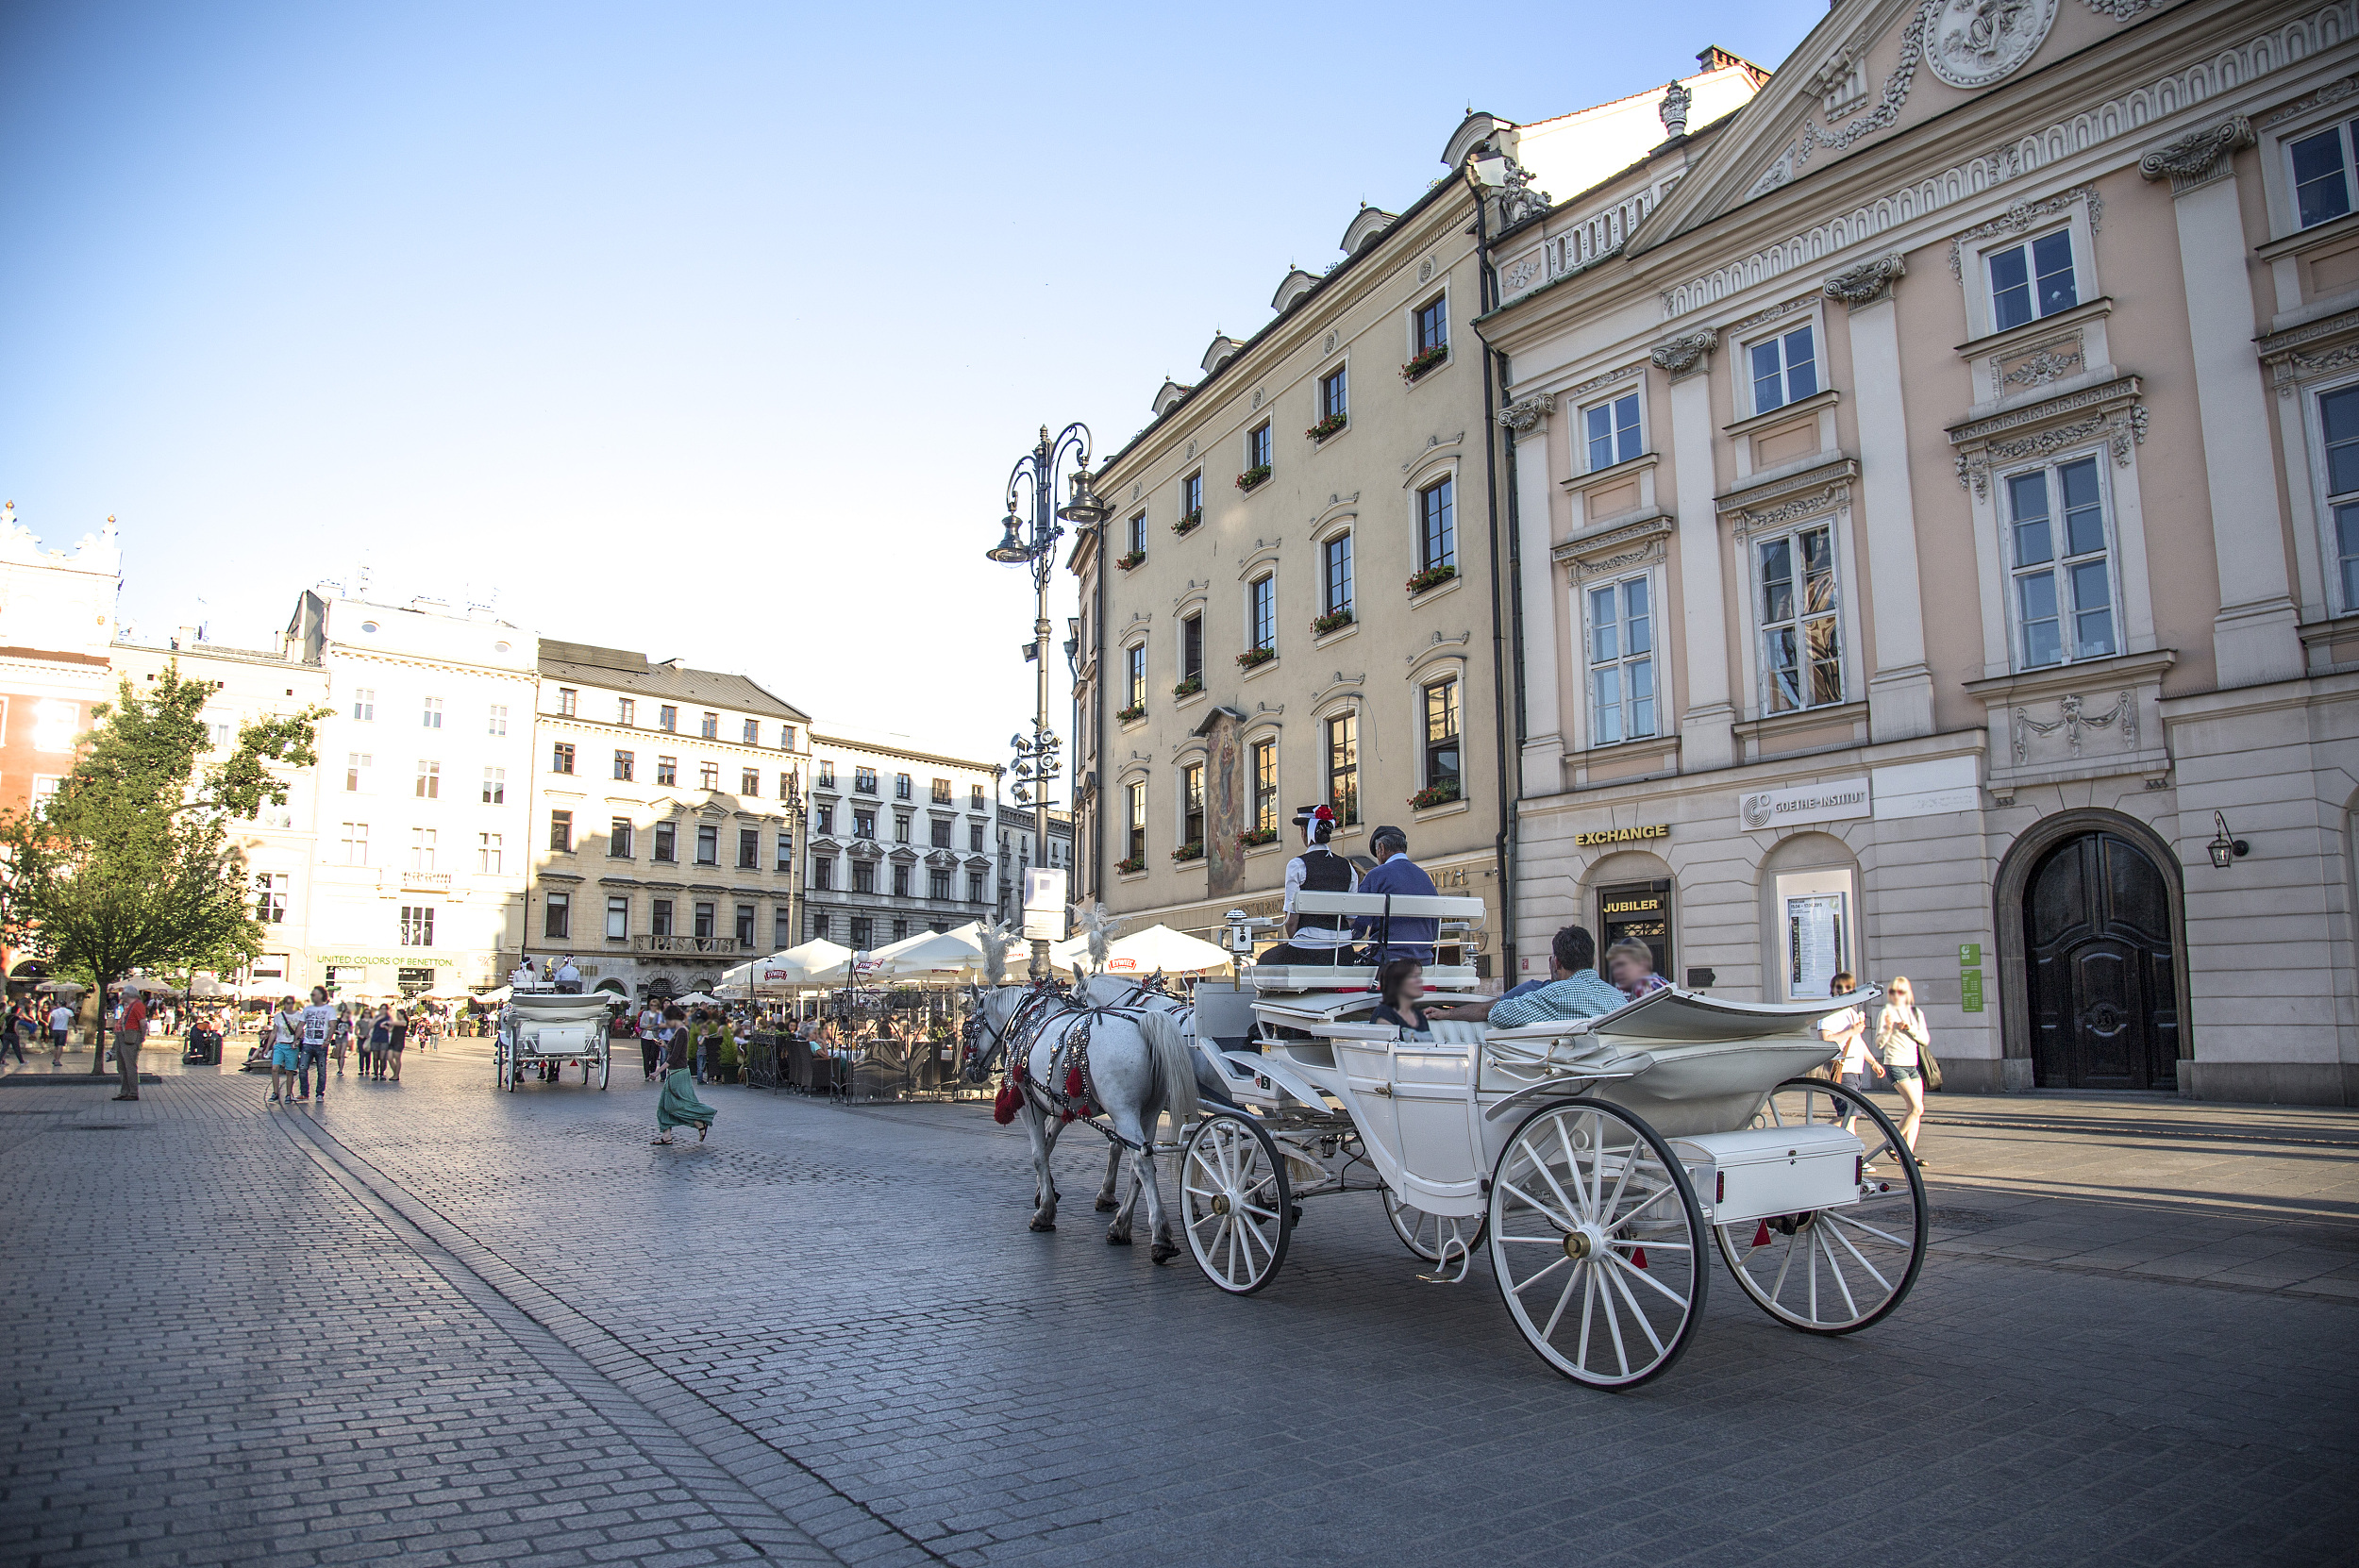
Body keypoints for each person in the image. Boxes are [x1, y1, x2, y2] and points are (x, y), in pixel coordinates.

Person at [1430, 925, 1625, 1026]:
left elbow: (1497, 1015)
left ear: (1556, 963)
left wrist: (1447, 1014)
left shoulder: (1555, 994)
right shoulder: (1618, 998)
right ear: (1592, 960)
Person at [1255, 804, 1360, 966]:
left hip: (1308, 950)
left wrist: (1300, 943)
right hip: (1343, 951)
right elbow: (1351, 919)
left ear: (1304, 832)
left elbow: (1291, 920)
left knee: (1265, 961)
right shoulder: (1348, 867)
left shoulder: (1297, 865)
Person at [1351, 826, 1440, 965]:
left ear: (1381, 848)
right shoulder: (1425, 878)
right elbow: (1434, 932)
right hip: (1423, 961)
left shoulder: (1377, 875)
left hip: (1386, 959)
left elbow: (1358, 925)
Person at [1876, 976, 1931, 1166]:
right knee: (1916, 1107)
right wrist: (1889, 1030)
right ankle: (1894, 1143)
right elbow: (1879, 1043)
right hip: (1895, 1064)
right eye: (1893, 992)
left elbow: (1924, 1039)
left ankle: (1907, 1154)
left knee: (1915, 1111)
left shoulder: (1916, 1013)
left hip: (1912, 1066)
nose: (1896, 995)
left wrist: (1910, 1030)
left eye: (1901, 991)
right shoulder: (1886, 1013)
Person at [653, 1007, 716, 1144]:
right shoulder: (678, 1031)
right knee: (663, 1106)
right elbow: (673, 1050)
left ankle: (699, 1123)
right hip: (674, 1072)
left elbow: (675, 1056)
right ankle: (667, 1136)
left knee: (675, 1105)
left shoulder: (682, 1031)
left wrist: (658, 1071)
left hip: (678, 1073)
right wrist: (664, 1045)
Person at [291, 987, 335, 1104]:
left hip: (321, 1044)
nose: (312, 997)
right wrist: (296, 1039)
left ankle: (320, 1093)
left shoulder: (329, 1010)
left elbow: (332, 1025)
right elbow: (301, 1025)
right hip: (307, 1043)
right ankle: (304, 1093)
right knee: (302, 1068)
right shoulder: (307, 1009)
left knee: (321, 1069)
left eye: (314, 994)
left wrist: (328, 1040)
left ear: (321, 996)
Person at [1369, 958, 1435, 1037]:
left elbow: (1429, 1047)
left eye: (1419, 976)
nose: (1420, 981)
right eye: (1413, 977)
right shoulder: (1385, 1013)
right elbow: (1387, 1047)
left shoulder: (1419, 1016)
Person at [112, 991, 149, 1101]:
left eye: (124, 994)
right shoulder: (129, 1006)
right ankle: (124, 1092)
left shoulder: (137, 1005)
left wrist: (141, 1038)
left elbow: (143, 1023)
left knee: (129, 1066)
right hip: (122, 1036)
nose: (122, 996)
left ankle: (133, 1092)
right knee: (122, 1066)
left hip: (130, 1037)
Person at [1603, 939, 1670, 998]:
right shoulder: (1660, 982)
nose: (1617, 972)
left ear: (1642, 963)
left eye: (1622, 964)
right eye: (1614, 967)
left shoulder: (1643, 986)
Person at [266, 997, 302, 1104]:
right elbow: (274, 1032)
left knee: (289, 1071)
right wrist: (268, 1047)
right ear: (284, 1004)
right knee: (275, 1068)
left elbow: (302, 1030)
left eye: (291, 1003)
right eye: (287, 1003)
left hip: (291, 1045)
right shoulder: (279, 1016)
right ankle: (275, 1092)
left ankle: (288, 1093)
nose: (290, 1005)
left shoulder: (299, 1015)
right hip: (280, 1044)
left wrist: (298, 1040)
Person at [366, 1004, 393, 1079]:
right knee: (375, 1057)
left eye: (384, 1009)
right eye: (381, 1008)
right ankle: (375, 1074)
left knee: (382, 1057)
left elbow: (391, 1029)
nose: (383, 1010)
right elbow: (370, 1026)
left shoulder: (388, 1018)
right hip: (375, 1038)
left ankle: (382, 1073)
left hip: (384, 1039)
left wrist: (385, 1027)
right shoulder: (376, 1017)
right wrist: (377, 1019)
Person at [385, 1009, 410, 1083]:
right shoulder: (396, 1023)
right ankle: (395, 1073)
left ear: (402, 1015)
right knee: (389, 1058)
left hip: (399, 1042)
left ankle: (396, 1075)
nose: (397, 1016)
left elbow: (398, 1023)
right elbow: (390, 1029)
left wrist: (390, 1022)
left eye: (398, 1014)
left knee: (397, 1059)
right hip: (393, 1041)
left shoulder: (404, 1022)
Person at [48, 997, 74, 1065]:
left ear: (59, 1004)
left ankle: (55, 1058)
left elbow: (51, 1021)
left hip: (55, 1029)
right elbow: (72, 1020)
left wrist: (51, 1029)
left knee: (56, 1045)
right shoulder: (68, 1011)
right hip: (63, 1030)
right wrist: (75, 1028)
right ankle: (57, 1060)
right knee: (60, 1045)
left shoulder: (54, 1012)